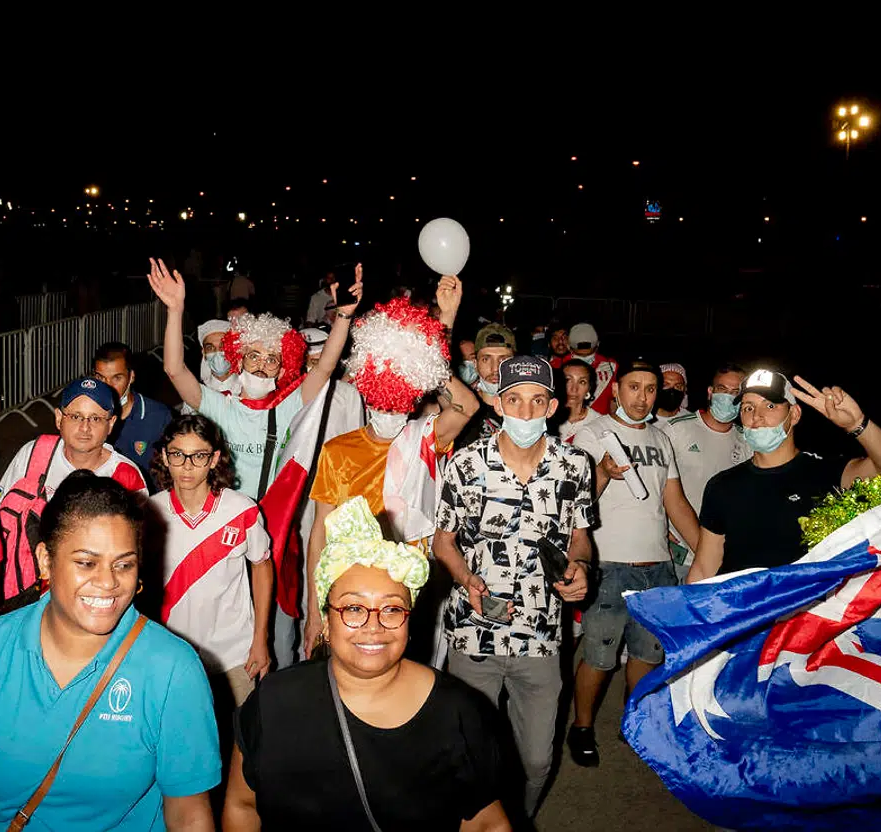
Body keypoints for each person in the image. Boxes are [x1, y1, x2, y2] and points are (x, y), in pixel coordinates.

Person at [0, 473, 220, 831]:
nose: (109, 582)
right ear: (45, 561)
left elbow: (189, 816)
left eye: (124, 564)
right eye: (86, 562)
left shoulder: (173, 668)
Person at [223, 497, 511, 831]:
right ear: (326, 623)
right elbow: (242, 805)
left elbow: (487, 823)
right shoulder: (272, 702)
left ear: (409, 621)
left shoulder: (458, 712)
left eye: (391, 609)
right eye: (354, 609)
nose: (373, 626)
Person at [433, 356, 593, 818]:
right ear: (498, 403)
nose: (525, 413)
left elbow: (579, 533)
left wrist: (580, 565)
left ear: (553, 406)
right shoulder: (465, 464)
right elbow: (444, 541)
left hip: (541, 633)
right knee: (467, 753)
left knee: (537, 758)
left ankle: (515, 822)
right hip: (473, 630)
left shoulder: (573, 466)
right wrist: (466, 579)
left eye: (537, 401)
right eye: (515, 401)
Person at [302, 281, 479, 657]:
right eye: (382, 393)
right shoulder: (338, 450)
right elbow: (319, 532)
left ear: (414, 396)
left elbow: (466, 406)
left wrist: (424, 353)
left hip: (411, 583)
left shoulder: (425, 437)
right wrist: (314, 606)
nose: (390, 405)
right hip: (350, 586)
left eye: (400, 393)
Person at [566, 358, 700, 767]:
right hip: (609, 565)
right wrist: (604, 474)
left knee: (646, 654)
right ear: (617, 389)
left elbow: (673, 501)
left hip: (657, 566)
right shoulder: (593, 434)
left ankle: (633, 721)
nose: (642, 397)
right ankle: (582, 727)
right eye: (634, 387)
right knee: (599, 656)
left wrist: (705, 553)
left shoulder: (662, 439)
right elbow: (574, 502)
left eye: (650, 389)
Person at [149, 257, 362, 497]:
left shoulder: (288, 406)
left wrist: (343, 316)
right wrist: (175, 310)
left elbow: (324, 367)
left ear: (282, 370)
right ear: (238, 360)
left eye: (272, 359)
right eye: (253, 356)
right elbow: (175, 370)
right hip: (225, 517)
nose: (261, 364)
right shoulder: (220, 405)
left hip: (270, 518)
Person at [688, 369, 881, 582]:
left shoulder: (825, 473)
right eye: (748, 408)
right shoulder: (722, 485)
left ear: (794, 414)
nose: (757, 416)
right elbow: (704, 567)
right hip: (742, 613)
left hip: (804, 615)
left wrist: (857, 425)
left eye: (770, 405)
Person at [147, 414, 274, 706]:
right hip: (173, 656)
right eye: (178, 455)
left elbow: (262, 567)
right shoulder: (149, 512)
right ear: (165, 458)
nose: (188, 466)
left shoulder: (241, 510)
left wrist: (260, 640)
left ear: (215, 459)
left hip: (234, 654)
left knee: (239, 741)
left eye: (199, 456)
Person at [0, 377, 148, 507]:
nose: (85, 427)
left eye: (95, 418)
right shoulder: (34, 454)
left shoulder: (125, 475)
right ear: (59, 418)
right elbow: (0, 510)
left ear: (111, 424)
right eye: (75, 416)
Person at [660, 363, 751, 581]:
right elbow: (654, 483)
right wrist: (659, 527)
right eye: (722, 390)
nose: (728, 397)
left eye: (735, 392)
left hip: (723, 558)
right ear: (710, 392)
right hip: (679, 556)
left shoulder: (747, 440)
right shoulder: (677, 429)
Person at [93, 341, 171, 473]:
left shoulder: (158, 416)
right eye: (101, 378)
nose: (108, 387)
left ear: (132, 376)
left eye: (117, 378)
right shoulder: (85, 416)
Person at [455, 322, 515, 449]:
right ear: (475, 364)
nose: (495, 369)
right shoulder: (463, 409)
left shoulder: (527, 411)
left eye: (503, 360)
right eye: (486, 359)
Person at [555, 323, 618, 416]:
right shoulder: (557, 366)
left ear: (597, 346)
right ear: (569, 347)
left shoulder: (611, 367)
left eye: (589, 355)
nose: (585, 360)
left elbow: (615, 402)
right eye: (579, 356)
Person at [556, 358, 602, 444]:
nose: (574, 389)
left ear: (589, 388)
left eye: (582, 382)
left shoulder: (599, 423)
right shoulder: (546, 417)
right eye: (568, 380)